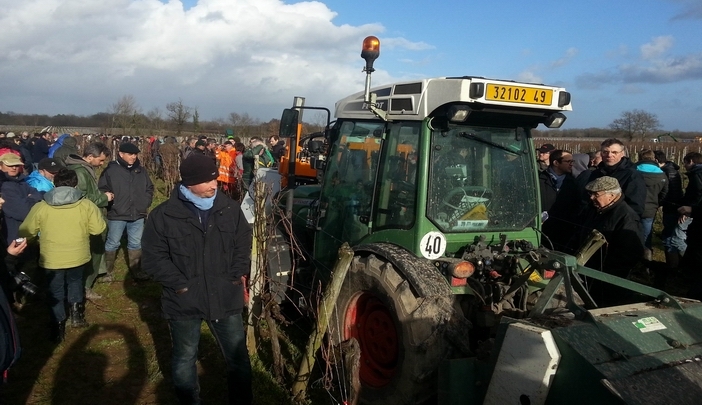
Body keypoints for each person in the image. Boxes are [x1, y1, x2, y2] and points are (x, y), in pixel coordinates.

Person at [142, 153, 252, 404]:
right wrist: (180, 285)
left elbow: (242, 243)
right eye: (206, 181)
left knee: (238, 359)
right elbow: (153, 258)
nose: (214, 185)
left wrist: (235, 274)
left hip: (224, 295)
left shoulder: (229, 209)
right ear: (189, 183)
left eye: (214, 179)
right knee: (184, 358)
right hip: (184, 300)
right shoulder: (163, 216)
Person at [19, 169, 106, 342]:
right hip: (78, 254)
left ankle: (57, 327)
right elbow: (98, 228)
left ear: (55, 183)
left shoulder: (41, 206)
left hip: (51, 258)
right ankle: (77, 317)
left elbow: (26, 230)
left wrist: (35, 240)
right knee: (75, 283)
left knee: (55, 289)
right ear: (75, 184)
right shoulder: (86, 205)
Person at [578, 176, 644, 306]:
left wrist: (605, 271)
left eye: (596, 194)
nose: (591, 198)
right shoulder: (596, 210)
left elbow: (630, 253)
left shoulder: (627, 218)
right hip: (587, 272)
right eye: (590, 194)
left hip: (607, 279)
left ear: (612, 195)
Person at [98, 143, 154, 283]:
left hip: (138, 214)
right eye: (130, 154)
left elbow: (149, 188)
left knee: (135, 243)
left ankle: (137, 270)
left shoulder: (141, 171)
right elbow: (102, 189)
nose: (133, 157)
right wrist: (111, 201)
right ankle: (107, 272)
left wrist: (144, 202)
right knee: (112, 243)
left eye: (135, 154)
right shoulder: (111, 170)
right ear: (121, 154)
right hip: (117, 213)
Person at [65, 143, 115, 300]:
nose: (101, 164)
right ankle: (85, 287)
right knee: (91, 252)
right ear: (90, 157)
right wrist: (103, 198)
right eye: (100, 160)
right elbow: (80, 197)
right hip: (87, 218)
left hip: (89, 216)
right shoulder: (80, 172)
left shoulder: (84, 169)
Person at [576, 138, 646, 218]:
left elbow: (636, 205)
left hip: (617, 222)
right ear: (601, 154)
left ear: (622, 154)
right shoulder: (595, 173)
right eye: (605, 152)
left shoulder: (632, 175)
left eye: (614, 152)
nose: (609, 155)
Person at [655, 150, 687, 275]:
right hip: (674, 207)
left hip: (672, 208)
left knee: (670, 237)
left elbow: (668, 192)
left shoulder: (666, 172)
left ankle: (673, 267)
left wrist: (659, 203)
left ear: (657, 160)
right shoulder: (672, 169)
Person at [0, 153, 42, 245]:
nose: (14, 168)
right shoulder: (3, 186)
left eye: (16, 165)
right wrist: (31, 199)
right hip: (12, 237)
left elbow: (38, 194)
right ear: (1, 166)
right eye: (10, 165)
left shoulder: (22, 181)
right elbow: (23, 211)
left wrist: (29, 199)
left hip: (26, 234)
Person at [635, 149, 668, 261]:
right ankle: (646, 262)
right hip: (650, 209)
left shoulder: (633, 171)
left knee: (629, 233)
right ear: (654, 159)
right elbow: (664, 193)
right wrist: (657, 203)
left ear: (640, 158)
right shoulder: (662, 174)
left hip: (633, 208)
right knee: (647, 236)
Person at [538, 149, 574, 213]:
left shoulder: (573, 182)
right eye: (568, 161)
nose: (571, 164)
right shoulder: (539, 180)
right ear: (556, 163)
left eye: (572, 161)